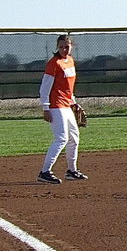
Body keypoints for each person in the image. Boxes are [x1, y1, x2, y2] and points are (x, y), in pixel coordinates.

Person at [37, 34, 88, 184]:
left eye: (66, 46)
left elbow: (68, 88)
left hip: (66, 105)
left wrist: (74, 103)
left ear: (72, 46)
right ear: (57, 47)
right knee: (62, 138)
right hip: (55, 106)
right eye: (61, 47)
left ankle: (72, 171)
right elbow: (45, 88)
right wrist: (45, 108)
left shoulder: (70, 61)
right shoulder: (54, 63)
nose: (64, 49)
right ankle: (44, 172)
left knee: (74, 138)